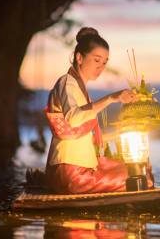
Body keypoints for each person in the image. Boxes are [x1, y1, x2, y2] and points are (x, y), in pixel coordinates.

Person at [44, 27, 154, 194]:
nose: (101, 67)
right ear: (79, 58)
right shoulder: (67, 83)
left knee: (141, 169)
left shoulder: (78, 87)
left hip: (77, 169)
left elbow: (85, 131)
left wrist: (130, 125)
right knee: (142, 178)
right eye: (96, 60)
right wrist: (111, 98)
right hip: (71, 174)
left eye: (104, 62)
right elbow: (73, 118)